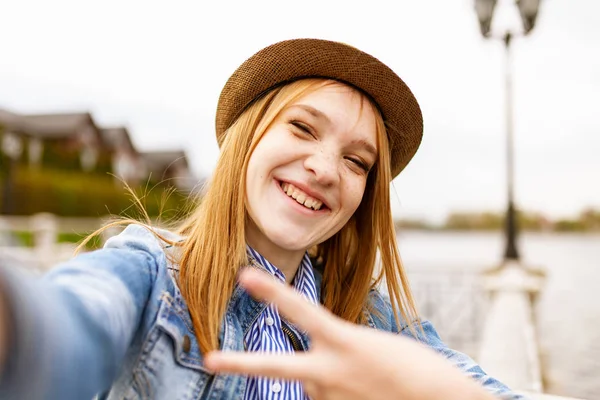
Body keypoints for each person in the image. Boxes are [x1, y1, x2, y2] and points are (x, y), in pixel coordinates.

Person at [0, 38, 524, 400]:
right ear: (247, 139)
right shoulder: (153, 277)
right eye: (302, 127)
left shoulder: (371, 319)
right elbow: (69, 324)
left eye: (356, 161)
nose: (324, 169)